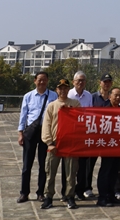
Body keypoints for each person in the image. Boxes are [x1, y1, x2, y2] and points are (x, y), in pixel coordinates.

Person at [18, 71, 57, 203]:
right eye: (39, 79)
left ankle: (40, 192)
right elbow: (23, 115)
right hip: (31, 132)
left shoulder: (53, 95)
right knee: (26, 165)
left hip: (46, 133)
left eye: (44, 79)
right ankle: (24, 193)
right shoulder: (28, 96)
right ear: (35, 81)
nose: (42, 82)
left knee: (43, 164)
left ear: (47, 81)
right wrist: (20, 133)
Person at [40, 78, 80, 210]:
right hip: (55, 142)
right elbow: (47, 125)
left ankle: (70, 197)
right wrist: (49, 142)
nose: (63, 90)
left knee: (70, 172)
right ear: (57, 90)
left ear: (69, 89)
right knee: (50, 171)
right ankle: (49, 197)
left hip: (70, 143)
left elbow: (80, 122)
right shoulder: (52, 105)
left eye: (65, 88)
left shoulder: (75, 104)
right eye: (60, 88)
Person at [83, 73, 112, 199]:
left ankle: (106, 188)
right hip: (94, 135)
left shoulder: (112, 98)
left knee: (107, 165)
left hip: (108, 137)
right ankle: (87, 187)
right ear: (100, 83)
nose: (106, 84)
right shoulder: (93, 97)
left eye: (109, 82)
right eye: (104, 82)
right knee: (90, 163)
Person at [66, 71, 92, 201]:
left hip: (83, 134)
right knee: (69, 165)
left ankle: (80, 190)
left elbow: (92, 113)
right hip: (70, 134)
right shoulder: (68, 94)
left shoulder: (88, 96)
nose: (80, 83)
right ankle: (67, 191)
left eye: (83, 80)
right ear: (73, 81)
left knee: (83, 166)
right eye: (78, 80)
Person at [96, 88, 120, 207]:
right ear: (110, 96)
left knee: (114, 171)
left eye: (119, 95)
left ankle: (111, 195)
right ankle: (102, 197)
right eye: (115, 95)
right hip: (107, 146)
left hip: (118, 146)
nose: (117, 98)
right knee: (105, 171)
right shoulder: (105, 110)